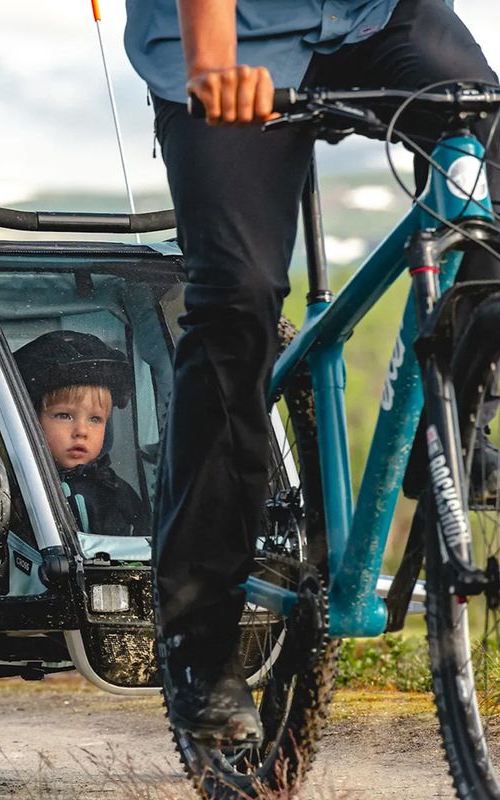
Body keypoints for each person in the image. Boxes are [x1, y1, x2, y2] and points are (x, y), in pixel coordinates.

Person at [124, 0, 500, 745]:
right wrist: (211, 61)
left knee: (489, 174)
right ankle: (199, 635)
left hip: (377, 18)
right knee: (236, 301)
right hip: (228, 35)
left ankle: (458, 426)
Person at [14, 330, 150, 537]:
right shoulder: (18, 493)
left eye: (95, 419)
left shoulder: (117, 494)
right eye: (64, 415)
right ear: (31, 420)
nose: (81, 431)